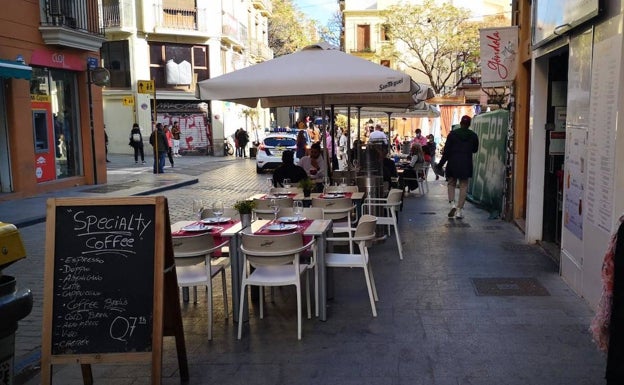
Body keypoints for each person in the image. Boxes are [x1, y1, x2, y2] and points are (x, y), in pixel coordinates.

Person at [436, 115, 479, 219]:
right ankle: (459, 210)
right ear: (469, 124)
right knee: (463, 186)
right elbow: (475, 150)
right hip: (466, 163)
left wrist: (440, 164)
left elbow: (446, 152)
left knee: (451, 183)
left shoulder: (452, 135)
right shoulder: (473, 135)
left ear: (460, 123)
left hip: (453, 163)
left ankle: (452, 204)